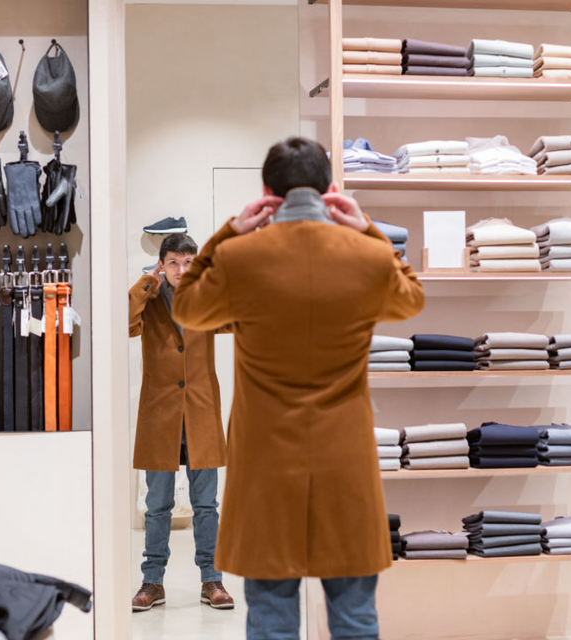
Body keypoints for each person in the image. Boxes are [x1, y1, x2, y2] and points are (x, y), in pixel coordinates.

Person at [172, 137, 425, 639]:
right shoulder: (365, 256)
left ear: (268, 193)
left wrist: (228, 233)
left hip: (266, 465)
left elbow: (185, 307)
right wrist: (367, 229)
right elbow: (411, 298)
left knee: (271, 619)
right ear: (330, 190)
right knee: (355, 618)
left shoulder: (240, 258)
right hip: (344, 461)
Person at [128, 233, 235, 612]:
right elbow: (123, 322)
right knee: (157, 506)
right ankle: (152, 583)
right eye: (173, 262)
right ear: (161, 265)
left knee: (206, 505)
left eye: (188, 262)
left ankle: (212, 580)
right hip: (161, 416)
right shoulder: (149, 299)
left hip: (200, 413)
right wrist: (147, 283)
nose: (181, 269)